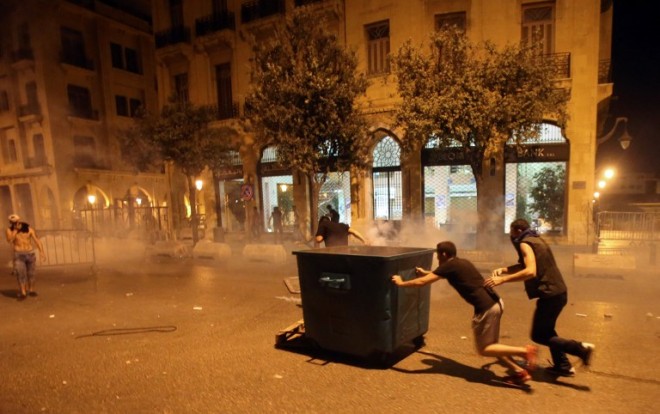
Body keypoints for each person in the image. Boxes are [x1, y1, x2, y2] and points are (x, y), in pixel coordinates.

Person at [392, 241, 538, 385]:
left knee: (485, 349)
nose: (437, 258)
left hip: (486, 308)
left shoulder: (449, 266)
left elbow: (422, 283)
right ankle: (519, 372)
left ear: (444, 254)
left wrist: (401, 283)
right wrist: (426, 273)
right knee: (494, 345)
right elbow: (441, 274)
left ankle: (524, 351)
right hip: (496, 302)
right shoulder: (460, 263)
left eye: (438, 255)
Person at [485, 218, 595, 377]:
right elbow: (525, 265)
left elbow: (530, 271)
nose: (510, 236)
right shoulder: (535, 239)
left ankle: (580, 349)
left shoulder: (524, 243)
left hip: (550, 294)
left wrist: (502, 279)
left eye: (511, 232)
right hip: (557, 292)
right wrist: (505, 269)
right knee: (548, 330)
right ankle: (562, 365)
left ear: (516, 230)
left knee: (538, 335)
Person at [6, 214, 46, 301]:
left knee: (31, 274)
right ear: (11, 223)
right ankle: (23, 293)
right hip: (19, 254)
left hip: (30, 253)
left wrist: (42, 251)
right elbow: (10, 240)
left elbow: (37, 240)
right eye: (13, 223)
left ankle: (31, 290)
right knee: (21, 274)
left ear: (19, 221)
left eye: (16, 222)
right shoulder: (9, 230)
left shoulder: (29, 229)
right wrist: (15, 230)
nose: (15, 224)